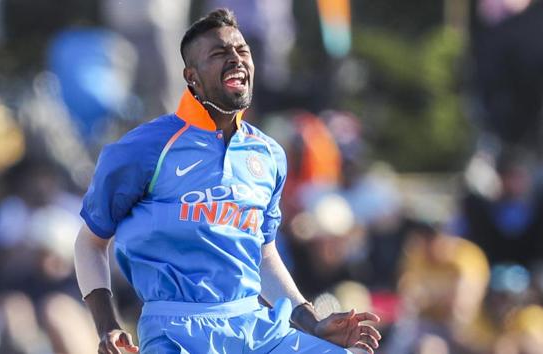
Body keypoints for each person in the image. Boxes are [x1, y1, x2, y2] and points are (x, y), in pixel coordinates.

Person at [73, 8, 381, 354]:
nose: (236, 59)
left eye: (242, 51)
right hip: (175, 332)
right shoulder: (143, 149)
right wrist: (107, 326)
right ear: (193, 77)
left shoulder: (268, 155)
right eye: (219, 54)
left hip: (257, 328)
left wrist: (311, 322)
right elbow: (90, 244)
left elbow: (263, 255)